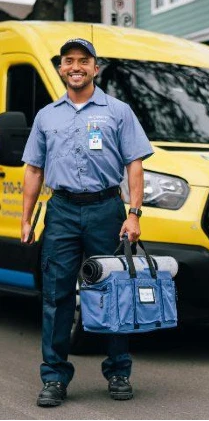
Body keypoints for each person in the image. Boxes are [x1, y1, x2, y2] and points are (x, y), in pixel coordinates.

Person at [21, 38, 153, 407]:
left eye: (84, 61)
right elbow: (33, 169)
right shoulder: (47, 116)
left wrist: (134, 213)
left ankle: (118, 371)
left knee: (113, 292)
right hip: (61, 211)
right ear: (61, 68)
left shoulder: (118, 111)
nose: (76, 66)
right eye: (69, 61)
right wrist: (26, 218)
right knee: (56, 295)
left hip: (105, 210)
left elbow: (135, 163)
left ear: (96, 68)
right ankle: (54, 377)